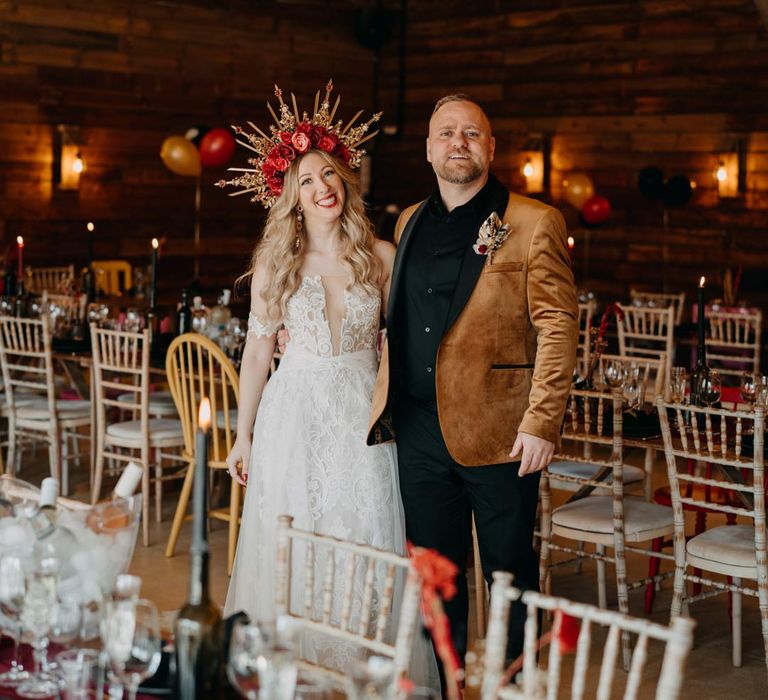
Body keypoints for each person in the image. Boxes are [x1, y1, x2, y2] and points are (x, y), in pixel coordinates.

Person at [367, 94, 579, 670]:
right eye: (446, 133)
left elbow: (559, 328)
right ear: (429, 150)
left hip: (502, 432)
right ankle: (449, 683)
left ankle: (514, 687)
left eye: (470, 133)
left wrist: (542, 421)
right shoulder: (408, 220)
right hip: (418, 429)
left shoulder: (534, 222)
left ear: (490, 147)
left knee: (510, 576)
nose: (457, 142)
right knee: (436, 575)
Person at [220, 84, 403, 669]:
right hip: (292, 413)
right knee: (292, 532)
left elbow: (403, 341)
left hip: (361, 412)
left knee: (361, 531)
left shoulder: (380, 256)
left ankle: (355, 663)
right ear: (292, 197)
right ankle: (290, 665)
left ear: (344, 182)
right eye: (307, 180)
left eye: (329, 175)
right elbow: (255, 355)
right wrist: (243, 433)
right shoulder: (277, 263)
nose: (322, 187)